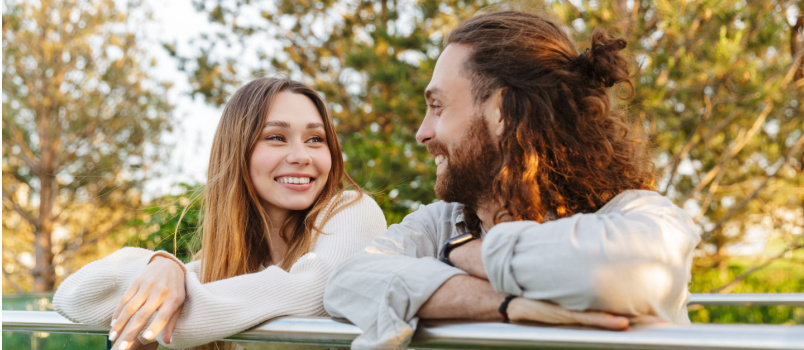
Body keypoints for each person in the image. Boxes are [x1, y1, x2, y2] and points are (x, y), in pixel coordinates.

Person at [323, 11, 701, 349]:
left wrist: (459, 255)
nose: (422, 133)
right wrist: (507, 305)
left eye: (437, 107)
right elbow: (348, 280)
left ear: (500, 111)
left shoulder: (636, 213)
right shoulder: (443, 222)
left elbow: (626, 273)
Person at [53, 77, 388, 350]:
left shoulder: (352, 210)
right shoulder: (227, 270)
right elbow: (73, 297)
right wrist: (159, 267)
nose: (301, 155)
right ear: (237, 151)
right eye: (276, 137)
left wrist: (166, 304)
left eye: (316, 139)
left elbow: (315, 294)